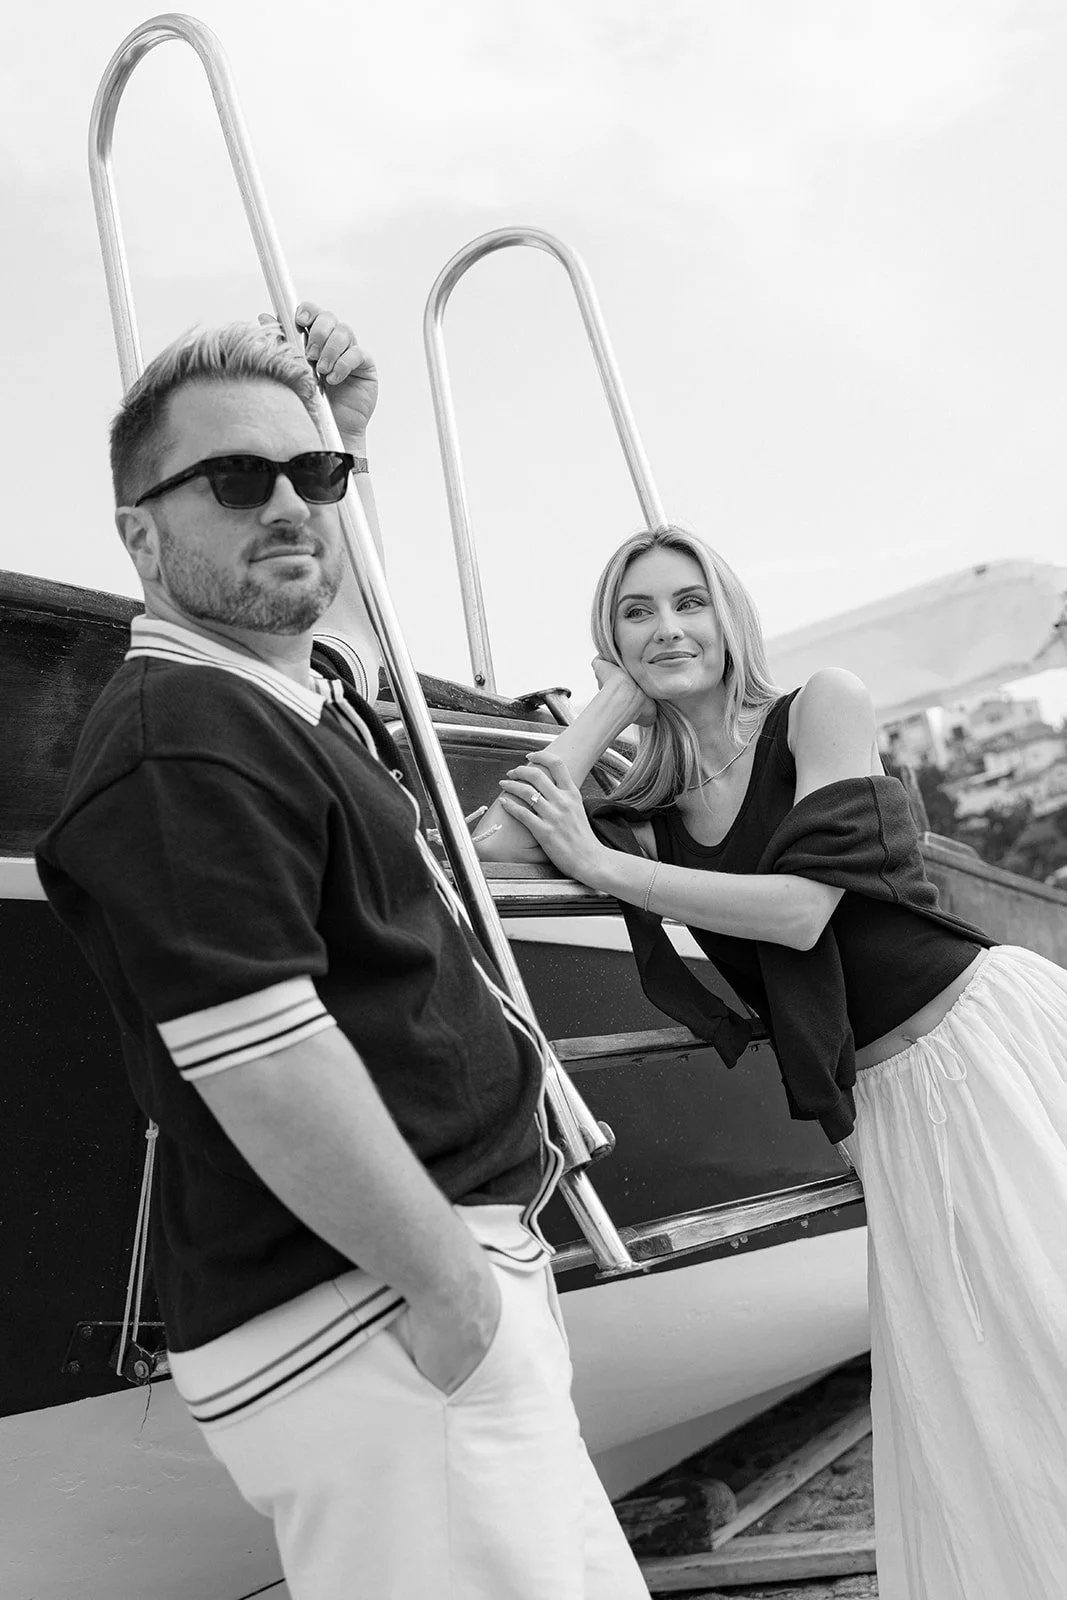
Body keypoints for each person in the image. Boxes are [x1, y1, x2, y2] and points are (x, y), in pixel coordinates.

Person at [34, 307, 651, 1600]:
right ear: (138, 533)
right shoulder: (180, 737)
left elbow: (335, 609)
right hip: (377, 1316)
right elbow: (261, 1057)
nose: (288, 506)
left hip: (413, 1303)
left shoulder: (278, 701)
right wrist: (452, 1300)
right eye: (234, 479)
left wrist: (346, 437)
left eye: (312, 479)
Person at [474, 523, 1067, 1600]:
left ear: (730, 612)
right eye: (636, 612)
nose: (670, 627)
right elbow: (485, 852)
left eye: (688, 600)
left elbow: (799, 915)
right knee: (978, 1386)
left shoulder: (818, 708)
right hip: (887, 1106)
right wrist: (606, 711)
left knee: (1051, 1329)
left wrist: (599, 861)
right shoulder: (651, 799)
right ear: (608, 641)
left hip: (976, 1044)